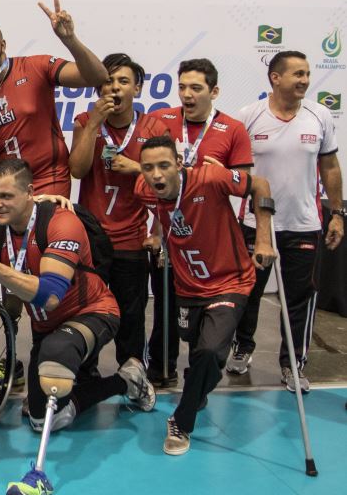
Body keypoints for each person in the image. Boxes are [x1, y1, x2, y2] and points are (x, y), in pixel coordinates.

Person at [0, 159, 155, 495]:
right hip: (46, 326)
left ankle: (38, 478)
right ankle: (126, 379)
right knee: (43, 417)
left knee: (55, 359)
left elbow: (50, 295)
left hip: (94, 312)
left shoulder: (61, 222)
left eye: (7, 195)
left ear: (30, 193)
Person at [135, 135, 274, 455]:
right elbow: (160, 211)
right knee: (199, 351)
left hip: (230, 281)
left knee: (210, 351)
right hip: (188, 287)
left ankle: (180, 422)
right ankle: (198, 387)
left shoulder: (210, 178)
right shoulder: (145, 189)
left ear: (179, 165)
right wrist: (156, 235)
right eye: (148, 168)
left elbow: (261, 185)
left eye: (164, 166)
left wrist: (264, 239)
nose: (156, 175)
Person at [229, 51, 344, 390]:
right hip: (254, 224)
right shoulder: (248, 117)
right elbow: (235, 172)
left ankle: (293, 364)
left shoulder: (319, 115)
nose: (305, 80)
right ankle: (243, 347)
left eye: (307, 73)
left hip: (304, 225)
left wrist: (337, 213)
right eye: (297, 74)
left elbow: (331, 167)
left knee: (299, 298)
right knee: (247, 294)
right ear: (275, 78)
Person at [143, 58, 253, 385]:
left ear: (214, 91)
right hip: (169, 234)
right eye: (182, 87)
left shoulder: (232, 129)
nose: (187, 95)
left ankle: (198, 375)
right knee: (166, 307)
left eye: (196, 88)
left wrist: (214, 175)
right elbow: (151, 178)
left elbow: (244, 182)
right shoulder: (159, 120)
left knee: (199, 317)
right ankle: (162, 368)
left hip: (207, 234)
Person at [0, 0, 108, 197]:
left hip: (48, 179)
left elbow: (97, 76)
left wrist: (70, 39)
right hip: (6, 187)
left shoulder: (36, 66)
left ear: (3, 45)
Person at [69, 53, 168, 366]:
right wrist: (94, 123)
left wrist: (138, 167)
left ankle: (132, 376)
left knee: (130, 316)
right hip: (92, 239)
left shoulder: (154, 127)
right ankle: (88, 377)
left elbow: (167, 181)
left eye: (123, 81)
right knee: (89, 312)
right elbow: (77, 170)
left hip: (131, 239)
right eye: (108, 81)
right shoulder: (86, 121)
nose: (114, 88)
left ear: (137, 89)